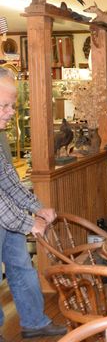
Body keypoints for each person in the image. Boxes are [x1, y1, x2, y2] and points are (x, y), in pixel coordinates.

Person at [0, 68, 66, 339]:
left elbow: (7, 180)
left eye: (12, 105)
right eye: (4, 105)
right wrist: (29, 223)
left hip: (7, 219)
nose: (11, 112)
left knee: (22, 267)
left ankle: (35, 322)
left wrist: (36, 206)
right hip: (5, 215)